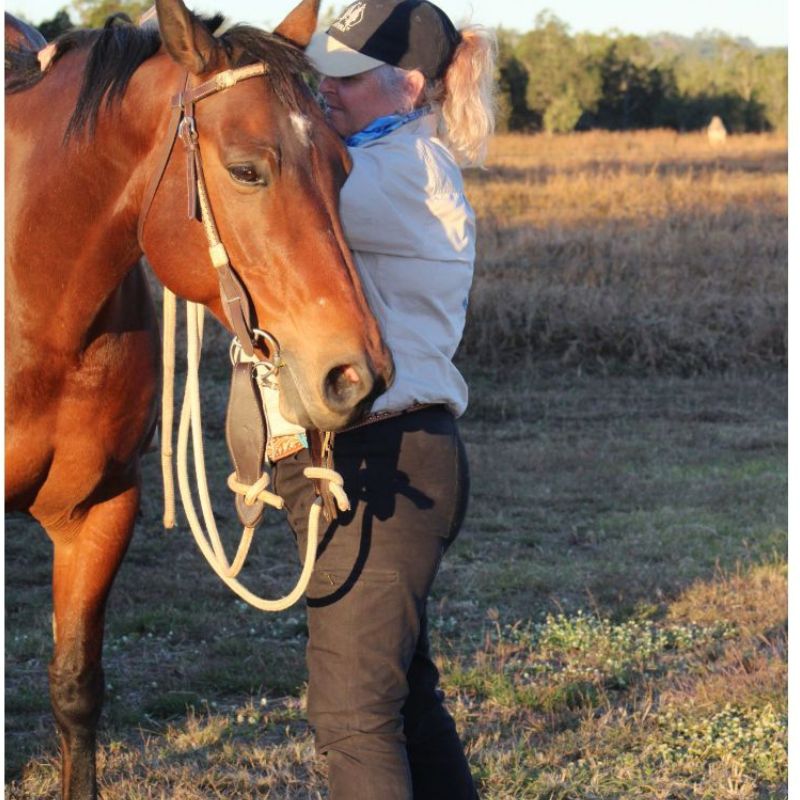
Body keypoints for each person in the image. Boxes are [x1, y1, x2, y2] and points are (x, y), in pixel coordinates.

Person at [270, 2, 496, 797]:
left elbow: (264, 200)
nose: (324, 90)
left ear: (407, 86)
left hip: (385, 467)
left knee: (354, 718)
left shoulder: (393, 173)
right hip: (389, 461)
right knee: (404, 701)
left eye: (346, 77)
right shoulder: (383, 158)